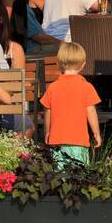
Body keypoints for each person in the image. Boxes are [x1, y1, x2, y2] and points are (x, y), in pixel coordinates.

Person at [42, 41, 101, 169]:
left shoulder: (52, 87)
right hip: (78, 141)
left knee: (59, 178)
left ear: (58, 64)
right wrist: (96, 132)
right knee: (79, 178)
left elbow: (48, 111)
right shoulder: (86, 87)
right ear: (83, 65)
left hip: (57, 140)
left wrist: (47, 131)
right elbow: (91, 111)